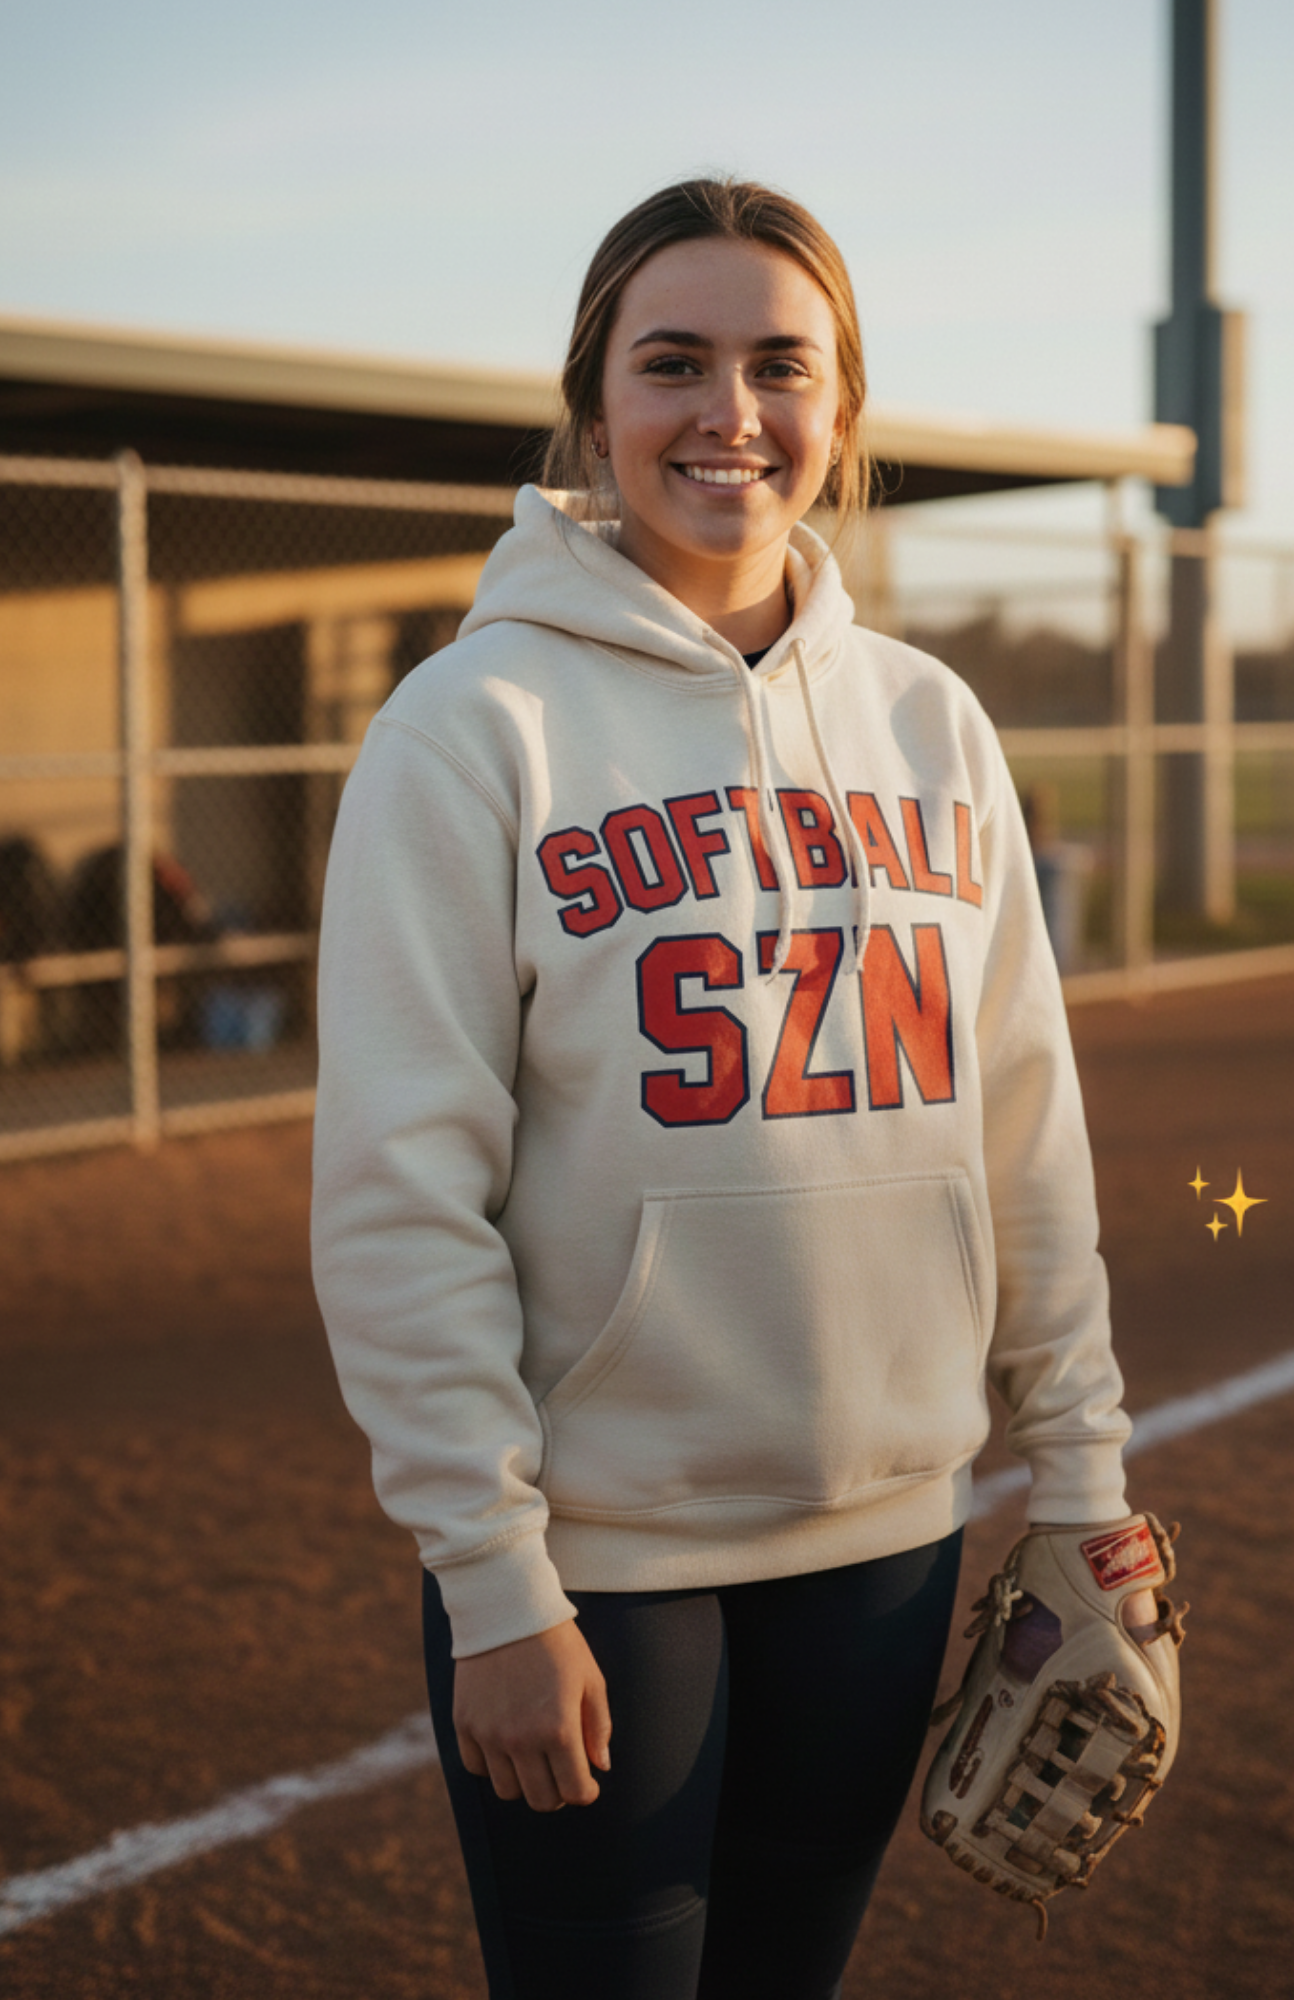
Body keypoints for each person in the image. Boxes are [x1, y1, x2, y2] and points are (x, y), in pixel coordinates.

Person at [311, 178, 1153, 2000]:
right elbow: (399, 1181)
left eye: (781, 365)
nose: (730, 413)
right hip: (599, 1558)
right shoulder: (473, 727)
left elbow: (1021, 1125)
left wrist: (1081, 1474)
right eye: (671, 361)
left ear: (840, 408)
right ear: (593, 401)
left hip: (883, 1543)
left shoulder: (932, 722)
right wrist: (492, 1578)